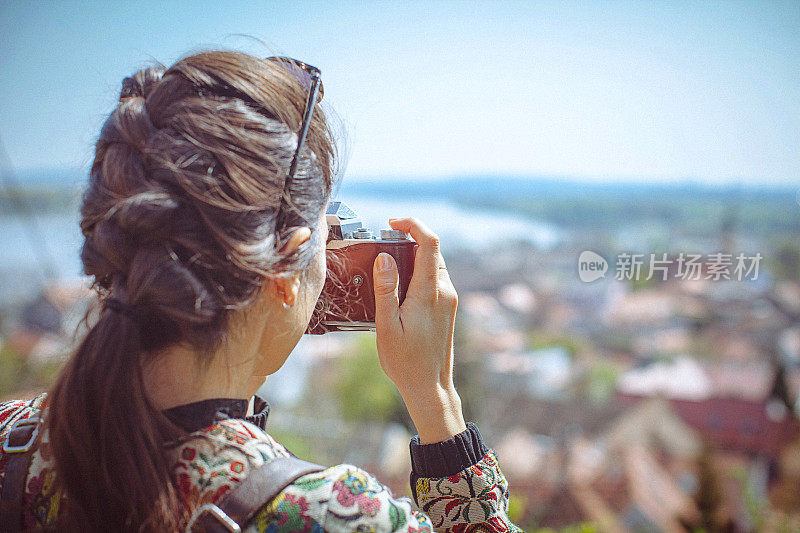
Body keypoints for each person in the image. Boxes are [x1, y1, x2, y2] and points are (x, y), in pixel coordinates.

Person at [0, 50, 520, 532]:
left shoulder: (12, 444)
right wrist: (438, 403)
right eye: (327, 237)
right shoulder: (333, 515)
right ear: (283, 269)